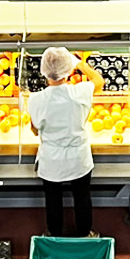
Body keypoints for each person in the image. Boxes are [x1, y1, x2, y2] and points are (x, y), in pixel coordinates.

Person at [27, 47, 103, 237]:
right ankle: (85, 234)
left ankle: (54, 235)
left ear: (44, 70)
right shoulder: (81, 91)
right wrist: (78, 62)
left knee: (53, 199)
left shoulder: (37, 100)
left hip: (52, 158)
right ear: (68, 70)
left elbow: (35, 130)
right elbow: (99, 81)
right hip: (78, 156)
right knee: (82, 197)